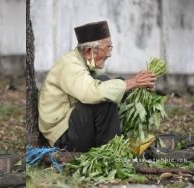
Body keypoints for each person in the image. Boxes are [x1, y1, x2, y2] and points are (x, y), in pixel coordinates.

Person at [38, 21, 156, 152]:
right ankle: (111, 152)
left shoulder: (83, 59)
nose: (110, 54)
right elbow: (92, 93)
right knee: (104, 97)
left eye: (111, 47)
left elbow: (104, 86)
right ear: (89, 51)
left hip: (71, 125)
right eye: (108, 48)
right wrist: (132, 82)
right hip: (62, 138)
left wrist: (137, 85)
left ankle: (116, 142)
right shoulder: (69, 65)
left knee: (111, 82)